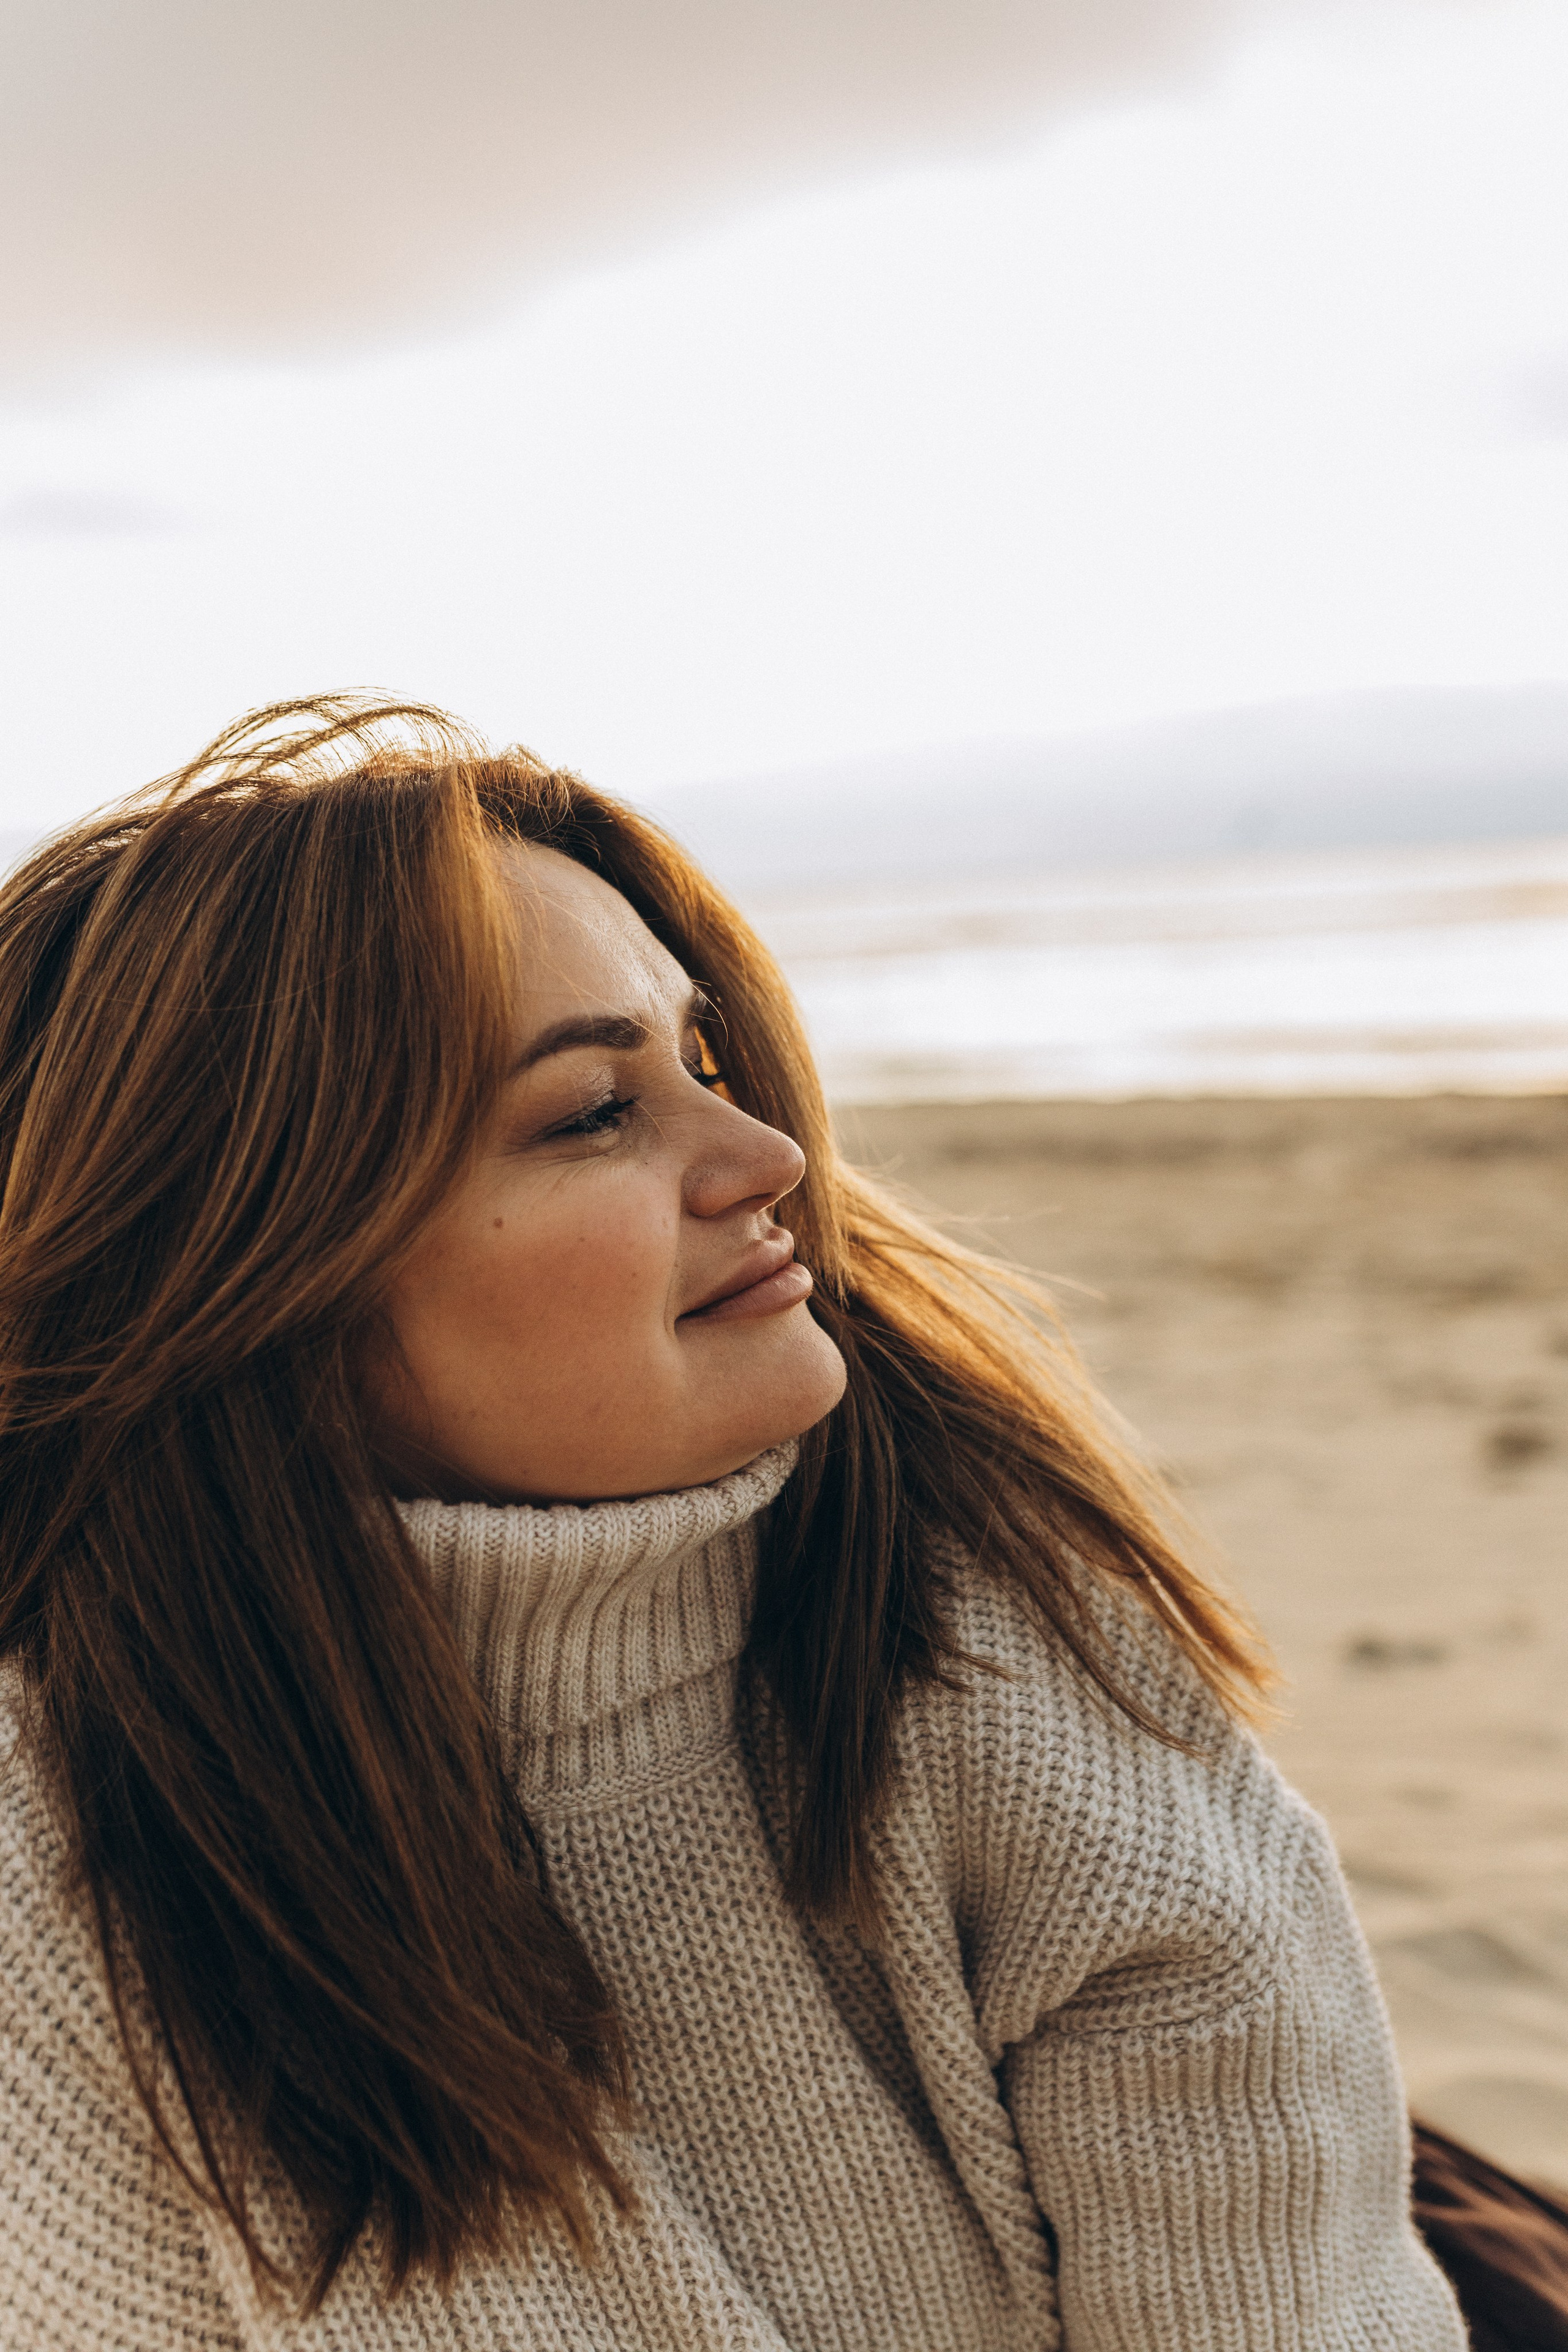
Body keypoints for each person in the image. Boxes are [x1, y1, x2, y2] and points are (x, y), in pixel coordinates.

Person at [0, 696, 1466, 2350]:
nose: (766, 1152)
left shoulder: (981, 1620)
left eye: (703, 1056)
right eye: (590, 1113)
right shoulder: (64, 1863)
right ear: (257, 1282)